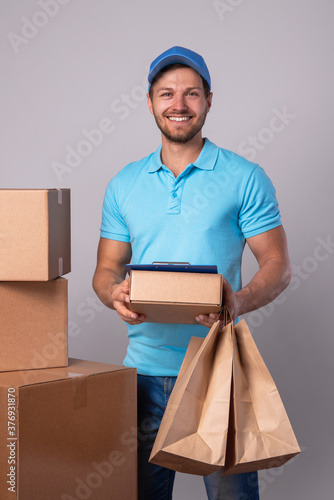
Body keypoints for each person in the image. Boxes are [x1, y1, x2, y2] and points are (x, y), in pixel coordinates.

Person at [93, 46, 291, 500]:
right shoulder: (124, 183)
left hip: (217, 370)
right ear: (149, 102)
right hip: (140, 377)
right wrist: (113, 294)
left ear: (208, 100)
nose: (178, 105)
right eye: (166, 93)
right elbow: (105, 269)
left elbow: (278, 266)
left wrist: (237, 301)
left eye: (191, 94)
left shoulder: (244, 177)